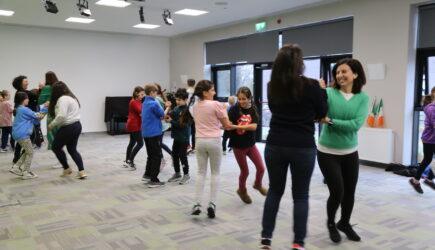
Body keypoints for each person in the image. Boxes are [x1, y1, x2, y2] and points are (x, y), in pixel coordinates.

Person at [260, 44, 328, 250]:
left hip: (275, 143)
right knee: (301, 195)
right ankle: (298, 243)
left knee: (274, 191)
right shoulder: (313, 86)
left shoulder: (272, 85)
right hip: (303, 146)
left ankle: (266, 239)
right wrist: (322, 91)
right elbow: (322, 113)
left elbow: (273, 108)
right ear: (300, 63)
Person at [317, 58, 369, 243]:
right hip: (327, 152)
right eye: (337, 72)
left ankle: (344, 223)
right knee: (337, 191)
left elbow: (355, 125)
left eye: (344, 71)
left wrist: (330, 121)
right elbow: (317, 114)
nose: (339, 75)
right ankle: (331, 223)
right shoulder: (328, 93)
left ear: (355, 74)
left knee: (350, 192)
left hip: (350, 152)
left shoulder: (363, 98)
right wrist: (318, 92)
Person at [190, 80, 231, 219]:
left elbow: (203, 122)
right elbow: (227, 125)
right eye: (212, 90)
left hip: (200, 141)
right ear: (205, 92)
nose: (214, 92)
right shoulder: (216, 104)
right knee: (215, 173)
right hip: (214, 141)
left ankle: (196, 203)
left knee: (201, 173)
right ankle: (212, 204)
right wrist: (224, 113)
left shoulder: (195, 106)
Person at [227, 87, 267, 204]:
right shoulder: (234, 109)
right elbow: (228, 124)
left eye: (244, 99)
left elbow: (254, 126)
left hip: (250, 144)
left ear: (249, 98)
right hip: (238, 146)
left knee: (261, 168)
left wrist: (236, 127)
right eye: (239, 99)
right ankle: (242, 190)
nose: (241, 101)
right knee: (245, 171)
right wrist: (228, 125)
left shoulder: (254, 109)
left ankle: (258, 185)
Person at [48, 81, 87, 179]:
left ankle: (66, 168)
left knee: (55, 147)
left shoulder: (62, 99)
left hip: (68, 127)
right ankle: (81, 171)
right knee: (72, 149)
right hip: (77, 126)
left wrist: (51, 125)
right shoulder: (71, 97)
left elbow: (61, 116)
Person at [10, 92, 47, 179]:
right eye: (27, 98)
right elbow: (39, 116)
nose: (28, 100)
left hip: (18, 134)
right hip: (23, 134)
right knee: (30, 152)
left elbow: (35, 120)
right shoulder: (24, 109)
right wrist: (46, 108)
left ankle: (16, 167)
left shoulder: (19, 109)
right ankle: (26, 172)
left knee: (28, 151)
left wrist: (41, 114)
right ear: (23, 100)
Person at [141, 84, 171, 188]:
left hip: (146, 133)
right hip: (154, 133)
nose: (157, 94)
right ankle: (154, 180)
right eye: (155, 92)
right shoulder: (153, 103)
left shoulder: (145, 102)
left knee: (150, 155)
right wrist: (167, 107)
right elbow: (162, 115)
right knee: (157, 156)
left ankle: (147, 175)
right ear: (151, 93)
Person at [409, 89, 435, 193]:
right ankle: (415, 181)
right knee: (427, 160)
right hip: (429, 140)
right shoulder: (431, 108)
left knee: (428, 160)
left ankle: (428, 179)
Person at [165, 88, 192, 185]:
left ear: (185, 100)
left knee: (182, 155)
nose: (177, 101)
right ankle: (177, 173)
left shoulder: (187, 111)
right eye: (176, 99)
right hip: (176, 136)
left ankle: (186, 174)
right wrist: (167, 108)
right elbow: (169, 115)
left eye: (179, 100)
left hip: (184, 137)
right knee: (174, 155)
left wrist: (171, 121)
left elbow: (182, 125)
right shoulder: (176, 108)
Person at [124, 86, 145, 170]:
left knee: (132, 142)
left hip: (135, 124)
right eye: (141, 94)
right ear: (136, 93)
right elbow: (141, 112)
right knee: (140, 143)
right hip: (134, 125)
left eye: (144, 94)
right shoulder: (134, 102)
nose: (143, 96)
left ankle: (127, 160)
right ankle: (130, 160)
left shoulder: (138, 101)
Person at [38, 71, 59, 151]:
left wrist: (41, 89)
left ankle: (53, 146)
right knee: (59, 128)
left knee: (50, 129)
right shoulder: (58, 86)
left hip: (51, 111)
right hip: (60, 110)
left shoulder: (47, 87)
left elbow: (40, 101)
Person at [155, 83, 172, 168]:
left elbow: (162, 114)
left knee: (159, 143)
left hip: (161, 124)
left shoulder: (157, 99)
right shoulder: (159, 98)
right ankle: (162, 159)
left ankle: (163, 159)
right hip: (161, 124)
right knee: (159, 143)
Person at [186, 79, 196, 154]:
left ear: (187, 83)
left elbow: (186, 103)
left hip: (188, 113)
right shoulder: (196, 93)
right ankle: (194, 147)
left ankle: (188, 146)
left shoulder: (186, 92)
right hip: (195, 113)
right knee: (194, 131)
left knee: (187, 131)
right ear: (194, 84)